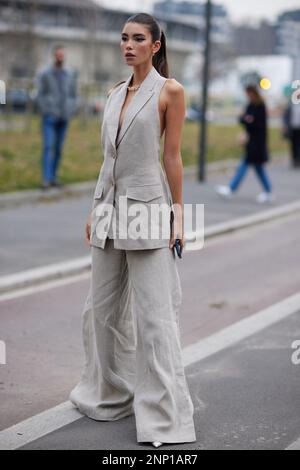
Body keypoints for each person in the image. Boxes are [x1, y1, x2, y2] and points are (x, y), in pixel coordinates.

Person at [69, 13, 196, 448]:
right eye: (124, 38)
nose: (128, 45)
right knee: (99, 312)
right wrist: (94, 208)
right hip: (108, 209)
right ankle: (109, 393)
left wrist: (180, 215)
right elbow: (109, 160)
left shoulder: (171, 92)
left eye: (138, 38)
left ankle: (164, 418)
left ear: (155, 46)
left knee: (154, 318)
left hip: (148, 209)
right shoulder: (113, 94)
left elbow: (172, 159)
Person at [216, 85, 274, 203]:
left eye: (249, 93)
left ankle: (231, 188)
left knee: (244, 166)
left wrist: (249, 120)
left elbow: (259, 125)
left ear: (253, 93)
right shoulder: (250, 105)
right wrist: (248, 120)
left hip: (257, 143)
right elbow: (242, 119)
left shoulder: (260, 106)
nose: (247, 96)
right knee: (258, 169)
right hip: (251, 142)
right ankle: (268, 192)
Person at [36, 45, 77, 189]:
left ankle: (53, 178)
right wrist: (46, 109)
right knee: (48, 147)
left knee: (59, 148)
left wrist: (70, 108)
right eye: (58, 55)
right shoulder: (45, 73)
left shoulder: (69, 74)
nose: (60, 57)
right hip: (50, 117)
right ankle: (46, 180)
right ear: (54, 55)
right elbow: (40, 94)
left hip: (64, 116)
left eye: (62, 55)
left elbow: (73, 94)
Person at [283, 91, 300, 168]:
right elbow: (286, 116)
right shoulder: (291, 105)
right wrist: (285, 126)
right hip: (293, 127)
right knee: (293, 144)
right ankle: (294, 159)